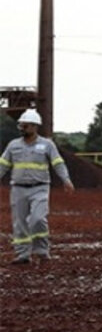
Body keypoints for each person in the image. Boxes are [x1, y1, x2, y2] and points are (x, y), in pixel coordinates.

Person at [1, 109, 75, 265]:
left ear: (35, 126)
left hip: (40, 188)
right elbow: (3, 165)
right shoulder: (13, 145)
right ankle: (23, 255)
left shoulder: (47, 145)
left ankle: (41, 251)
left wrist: (66, 179)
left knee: (38, 219)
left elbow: (58, 163)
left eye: (25, 126)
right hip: (18, 189)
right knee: (20, 223)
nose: (22, 128)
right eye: (21, 125)